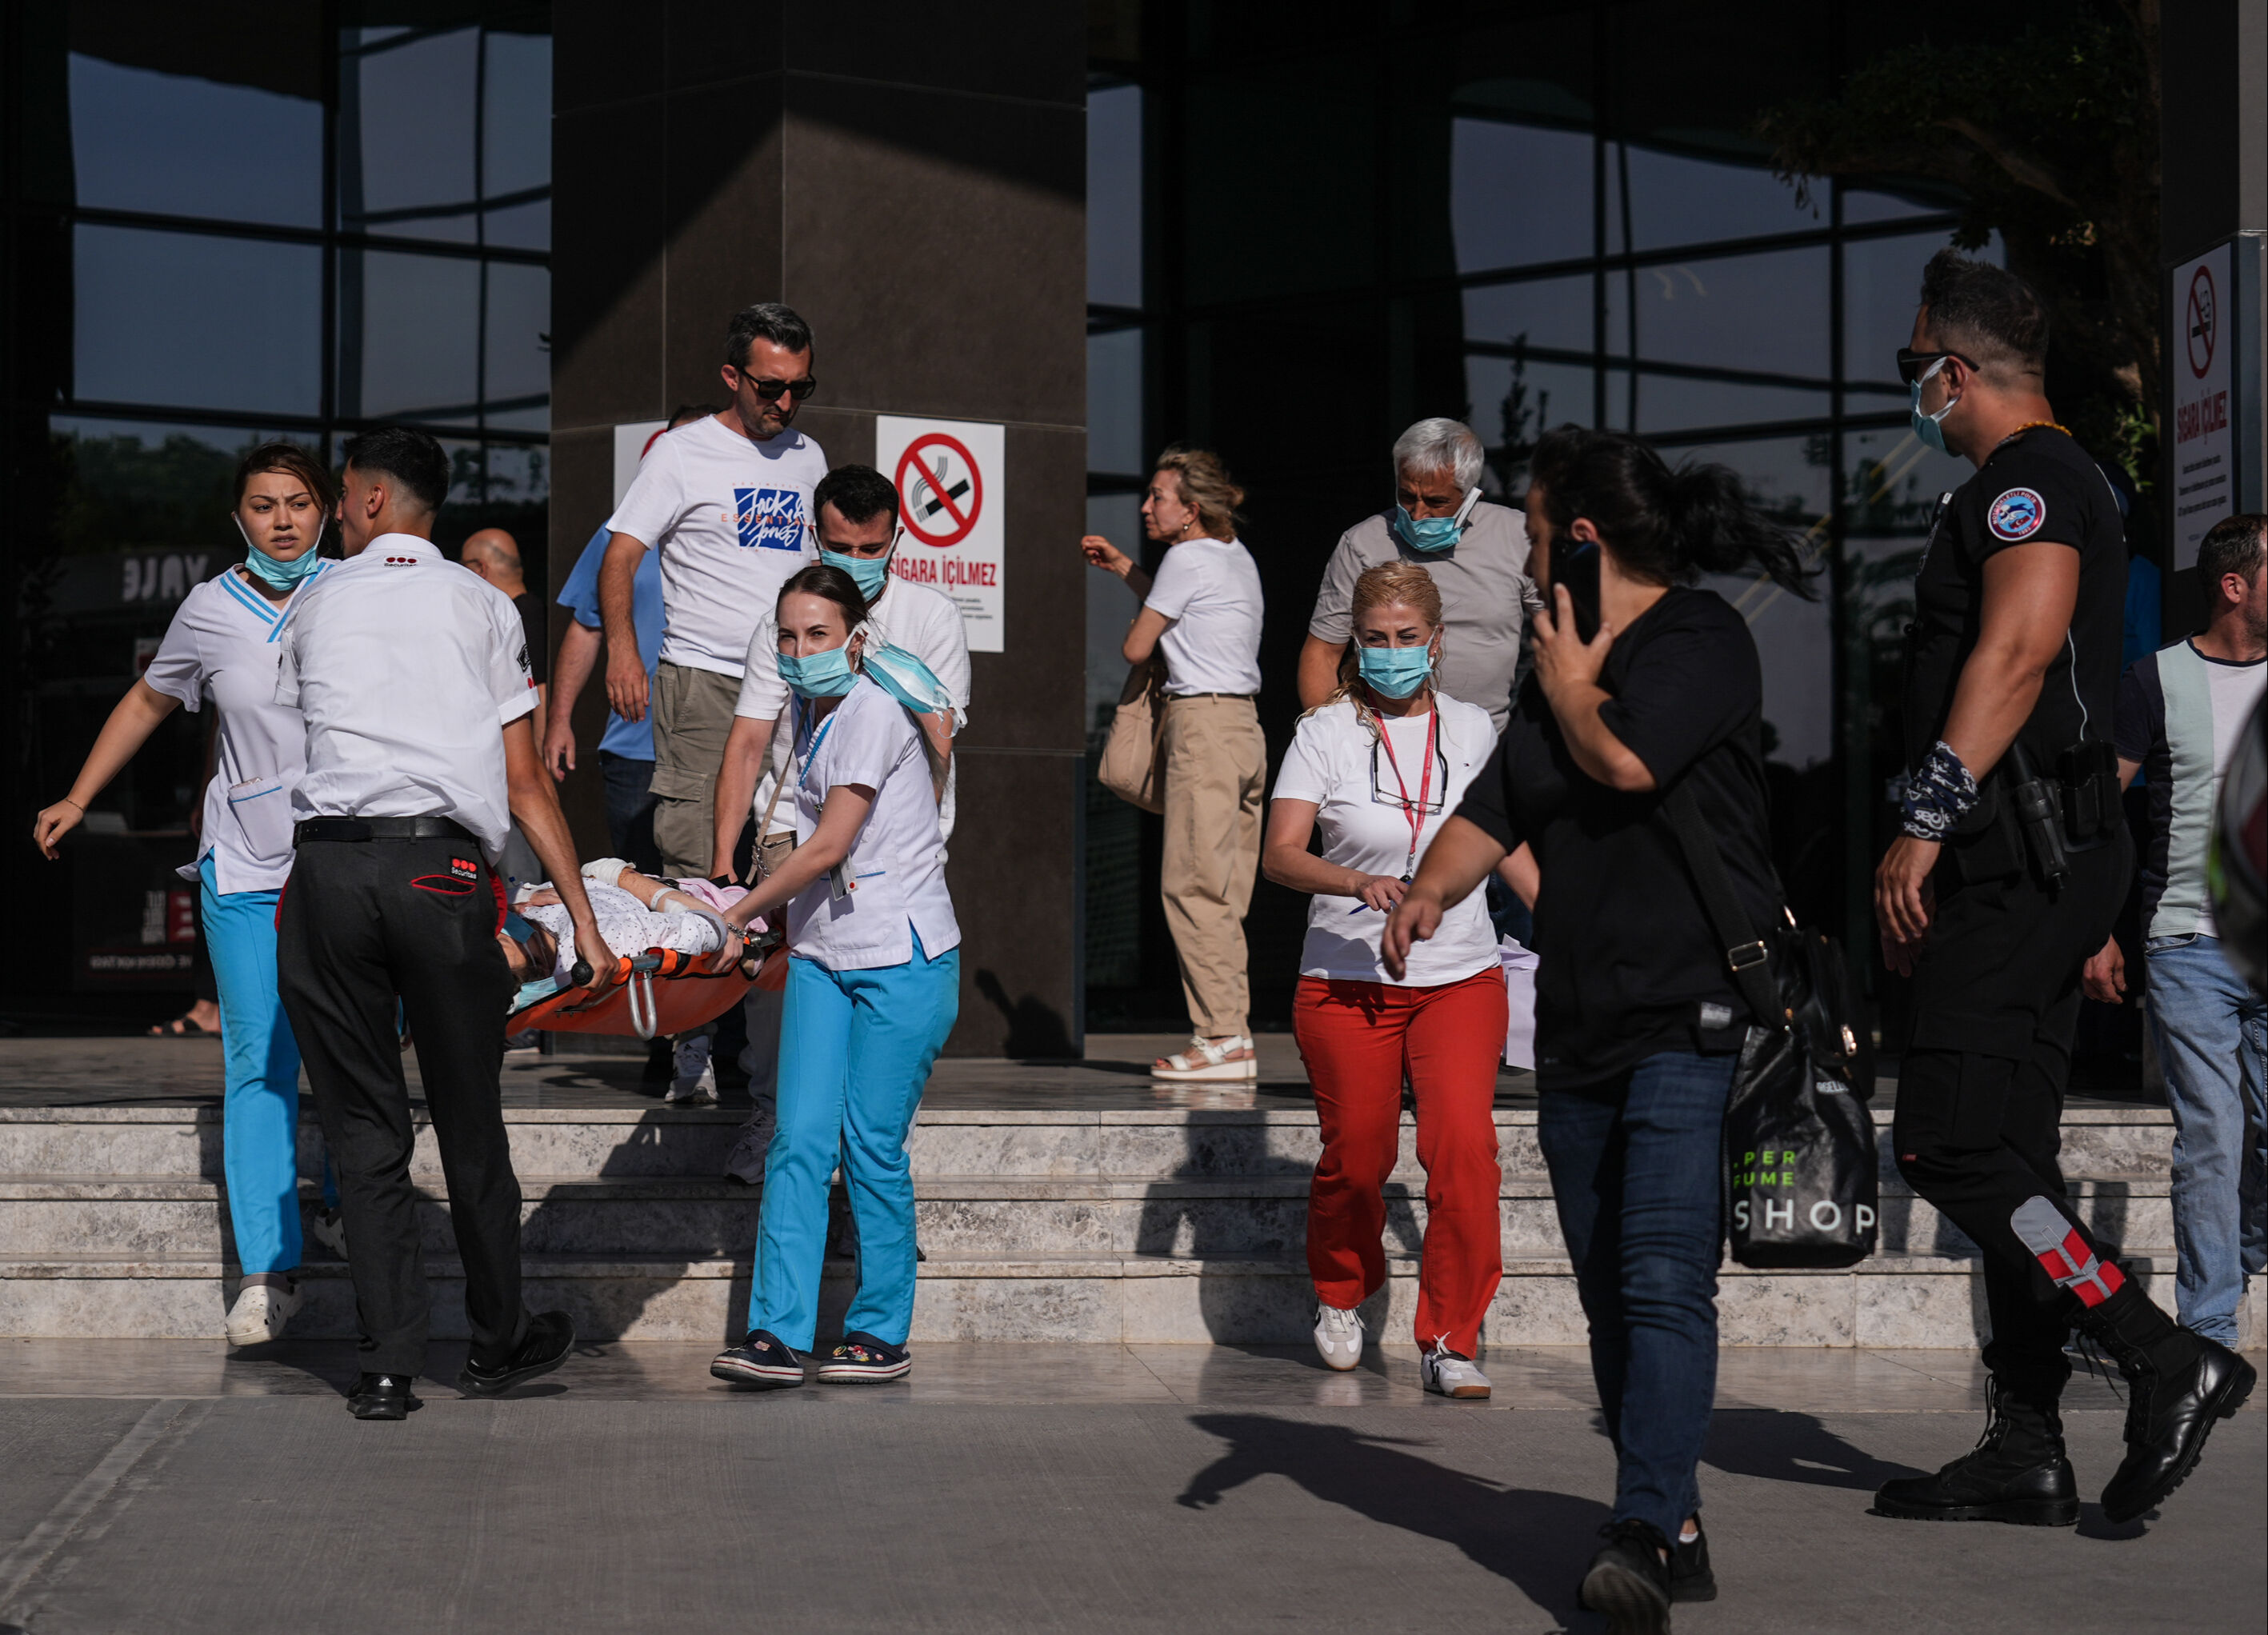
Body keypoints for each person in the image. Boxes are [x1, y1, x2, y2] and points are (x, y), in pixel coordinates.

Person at [1385, 427, 1814, 1629]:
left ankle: (1635, 1522)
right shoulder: (1550, 658)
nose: (1519, 561)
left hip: (1688, 1010)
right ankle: (1671, 1517)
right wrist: (1428, 886)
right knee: (1605, 1294)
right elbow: (1504, 796)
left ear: (1578, 537)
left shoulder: (1697, 639)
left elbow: (1622, 763)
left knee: (1662, 1275)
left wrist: (1574, 687)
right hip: (1575, 1020)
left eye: (1525, 534)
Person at [1871, 250, 2253, 1532]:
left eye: (1912, 362)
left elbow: (2021, 646)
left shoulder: (2026, 484)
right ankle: (2026, 1441)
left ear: (1956, 369)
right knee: (2015, 1159)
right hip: (2053, 856)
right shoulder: (2063, 476)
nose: (1910, 385)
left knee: (1945, 1141)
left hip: (2010, 855)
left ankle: (2159, 1356)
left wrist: (1923, 815)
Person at [273, 426, 614, 1422]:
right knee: (469, 1119)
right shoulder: (482, 603)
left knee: (363, 1128)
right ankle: (496, 1342)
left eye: (339, 498)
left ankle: (384, 1367)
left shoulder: (316, 597)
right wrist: (583, 923)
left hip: (329, 870)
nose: (333, 513)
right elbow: (520, 779)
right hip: (441, 870)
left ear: (370, 501)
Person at [34, 440, 342, 1346]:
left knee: (350, 1053)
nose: (282, 520)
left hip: (345, 866)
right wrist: (79, 795)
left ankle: (347, 1209)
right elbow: (146, 700)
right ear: (236, 518)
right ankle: (269, 1271)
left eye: (297, 501)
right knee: (258, 1060)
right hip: (246, 867)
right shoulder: (209, 609)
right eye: (262, 504)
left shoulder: (358, 596)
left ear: (328, 508)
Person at [1262, 561, 1514, 1399]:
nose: (1394, 653)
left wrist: (1580, 934)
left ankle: (1450, 1336)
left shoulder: (1475, 729)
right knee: (1359, 1157)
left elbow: (1509, 845)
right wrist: (1354, 882)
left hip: (1459, 974)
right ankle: (1341, 1290)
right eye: (1377, 640)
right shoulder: (1323, 733)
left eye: (1409, 639)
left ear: (1437, 643)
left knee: (1464, 1151)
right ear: (1356, 647)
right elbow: (1282, 855)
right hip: (1346, 978)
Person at [708, 564, 960, 1389]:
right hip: (823, 953)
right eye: (786, 634)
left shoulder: (875, 711)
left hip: (904, 957)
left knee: (871, 1146)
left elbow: (825, 847)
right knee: (798, 1140)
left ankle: (878, 1328)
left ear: (855, 639)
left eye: (817, 634)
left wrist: (737, 913)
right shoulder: (806, 713)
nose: (797, 649)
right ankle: (775, 1333)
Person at [706, 463, 971, 1167]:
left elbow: (940, 739)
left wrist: (872, 657)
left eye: (869, 548)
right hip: (792, 824)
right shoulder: (789, 614)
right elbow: (749, 742)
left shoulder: (930, 616)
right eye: (838, 547)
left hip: (889, 841)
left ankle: (880, 1161)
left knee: (888, 1017)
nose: (854, 562)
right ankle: (771, 1119)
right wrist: (723, 861)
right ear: (812, 534)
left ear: (897, 538)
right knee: (774, 991)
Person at [2083, 513, 2266, 1346]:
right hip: (2188, 944)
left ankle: (2247, 1245)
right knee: (2210, 1138)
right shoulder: (2152, 680)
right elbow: (2101, 816)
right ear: (2235, 586)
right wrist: (2096, 927)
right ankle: (2209, 1329)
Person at [598, 305, 825, 881]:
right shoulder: (680, 452)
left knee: (787, 841)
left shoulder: (809, 456)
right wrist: (624, 652)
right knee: (698, 848)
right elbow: (620, 556)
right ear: (732, 378)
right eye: (770, 386)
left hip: (789, 683)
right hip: (705, 677)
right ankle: (704, 964)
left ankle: (770, 969)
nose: (785, 401)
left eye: (800, 388)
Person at [1082, 447, 1266, 1081]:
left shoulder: (1186, 559)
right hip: (1244, 729)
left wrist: (1141, 609)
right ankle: (1230, 1034)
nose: (1145, 505)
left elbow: (1137, 643)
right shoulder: (1234, 557)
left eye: (1158, 496)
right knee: (1224, 892)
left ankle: (1221, 1038)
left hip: (1203, 731)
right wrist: (1129, 570)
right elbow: (1185, 606)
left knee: (1191, 887)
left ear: (1190, 510)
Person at [545, 405, 716, 877]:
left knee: (721, 891)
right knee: (644, 888)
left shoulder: (733, 535)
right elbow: (586, 626)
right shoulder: (618, 534)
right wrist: (559, 719)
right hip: (635, 749)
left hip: (715, 740)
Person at [1299, 417, 1540, 735]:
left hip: (1487, 742)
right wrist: (1332, 737)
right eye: (1407, 497)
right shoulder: (1362, 544)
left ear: (1472, 495)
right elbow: (1323, 652)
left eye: (1437, 501)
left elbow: (1567, 639)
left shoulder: (1517, 537)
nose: (1418, 514)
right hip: (1379, 738)